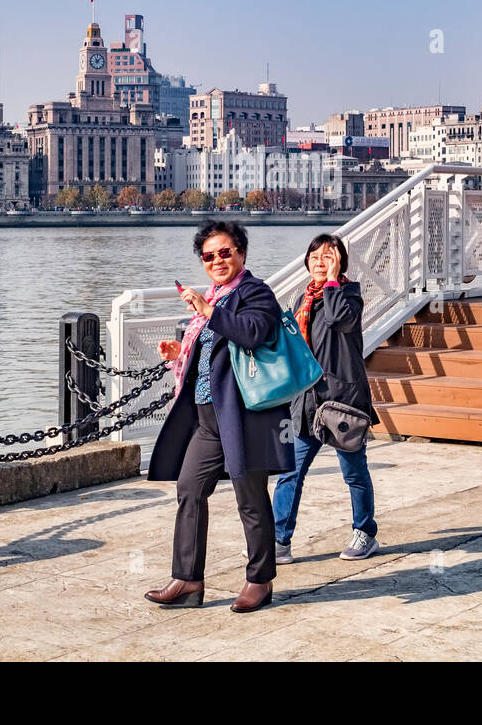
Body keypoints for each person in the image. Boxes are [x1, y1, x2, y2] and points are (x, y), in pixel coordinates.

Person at [145, 220, 294, 613]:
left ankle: (259, 581)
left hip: (244, 416)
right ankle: (188, 580)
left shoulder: (254, 292)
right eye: (209, 256)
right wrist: (180, 355)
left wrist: (207, 310)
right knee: (189, 489)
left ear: (241, 253)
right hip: (206, 417)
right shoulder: (214, 296)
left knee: (250, 499)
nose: (217, 260)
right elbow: (215, 354)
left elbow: (253, 333)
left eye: (225, 252)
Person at [271, 233, 380, 562]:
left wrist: (332, 281)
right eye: (315, 256)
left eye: (329, 256)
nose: (320, 262)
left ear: (341, 263)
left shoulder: (349, 296)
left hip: (342, 402)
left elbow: (340, 321)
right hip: (305, 404)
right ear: (306, 262)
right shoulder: (302, 302)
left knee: (354, 472)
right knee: (291, 472)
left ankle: (365, 533)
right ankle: (279, 541)